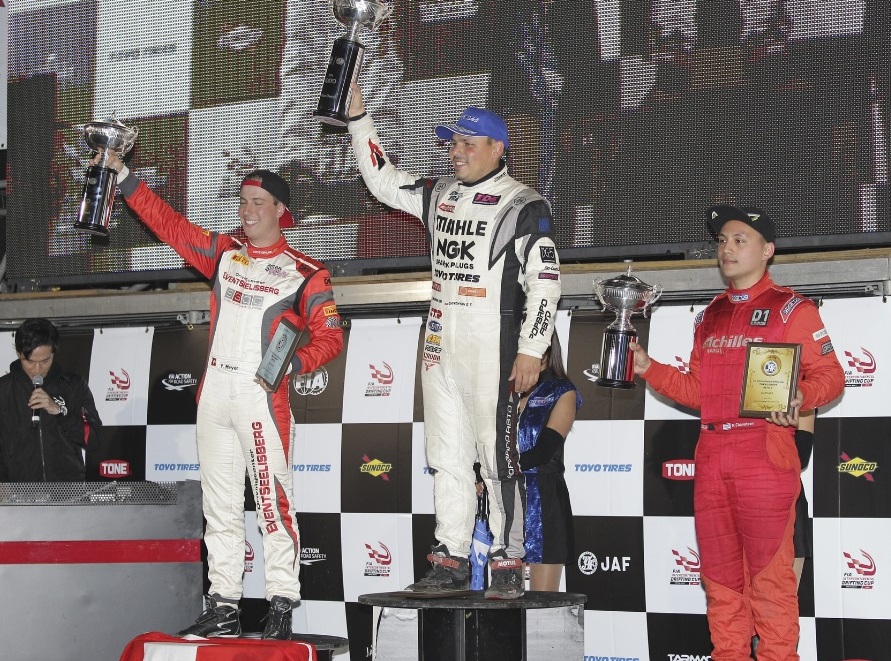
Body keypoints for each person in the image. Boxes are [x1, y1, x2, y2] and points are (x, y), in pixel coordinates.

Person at [96, 150, 344, 639]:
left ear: (281, 210)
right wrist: (123, 176)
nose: (247, 210)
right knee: (220, 507)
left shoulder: (307, 272)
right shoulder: (224, 251)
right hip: (213, 395)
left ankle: (281, 602)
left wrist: (292, 364)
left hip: (261, 399)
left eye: (258, 202)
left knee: (272, 503)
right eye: (243, 201)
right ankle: (224, 603)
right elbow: (169, 226)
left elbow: (331, 337)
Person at [347, 84, 562, 599]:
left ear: (497, 148)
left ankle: (508, 561)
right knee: (445, 455)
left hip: (494, 344)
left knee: (497, 458)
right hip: (440, 341)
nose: (456, 151)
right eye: (453, 142)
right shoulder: (439, 193)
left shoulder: (524, 204)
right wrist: (358, 119)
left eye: (468, 142)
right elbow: (382, 180)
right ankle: (452, 557)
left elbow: (546, 282)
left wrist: (531, 350)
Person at [629, 205, 844, 661]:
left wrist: (801, 396)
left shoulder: (793, 308)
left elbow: (833, 376)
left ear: (767, 251)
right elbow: (698, 392)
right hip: (711, 453)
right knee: (720, 584)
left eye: (739, 240)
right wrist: (649, 368)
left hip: (763, 451)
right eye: (722, 241)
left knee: (770, 583)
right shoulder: (711, 314)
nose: (727, 248)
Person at [0, 318, 102, 482]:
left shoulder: (73, 385)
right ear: (19, 354)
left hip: (68, 491)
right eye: (30, 361)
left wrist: (59, 412)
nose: (37, 369)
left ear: (53, 353)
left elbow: (93, 439)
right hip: (20, 492)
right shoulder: (4, 390)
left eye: (45, 361)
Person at [517, 331, 580, 592]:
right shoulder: (502, 391)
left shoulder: (562, 390)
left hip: (543, 497)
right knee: (499, 600)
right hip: (504, 497)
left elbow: (544, 450)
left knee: (542, 606)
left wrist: (498, 469)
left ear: (547, 349)